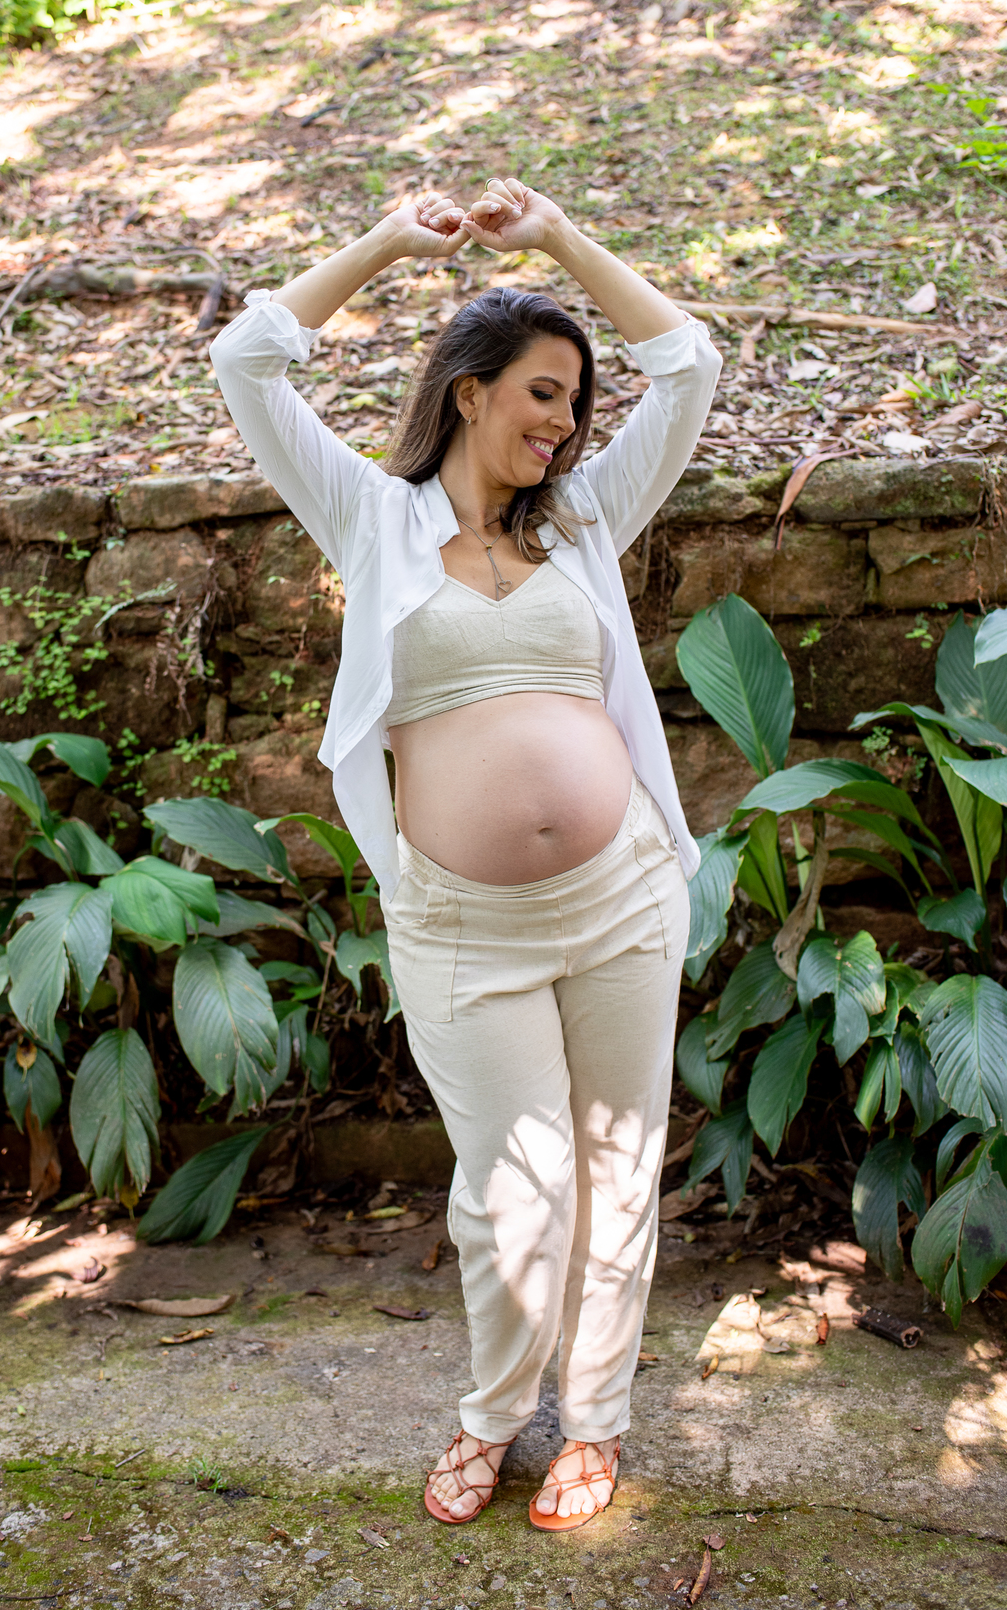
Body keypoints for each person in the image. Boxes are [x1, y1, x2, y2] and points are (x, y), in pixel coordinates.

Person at [210, 179, 721, 1532]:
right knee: (509, 1192)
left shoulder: (586, 517)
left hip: (620, 899)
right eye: (542, 394)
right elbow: (246, 360)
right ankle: (495, 1412)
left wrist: (558, 237)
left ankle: (594, 1420)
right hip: (462, 926)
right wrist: (387, 241)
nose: (564, 424)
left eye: (575, 403)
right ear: (468, 390)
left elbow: (689, 363)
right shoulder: (370, 518)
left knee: (619, 1167)